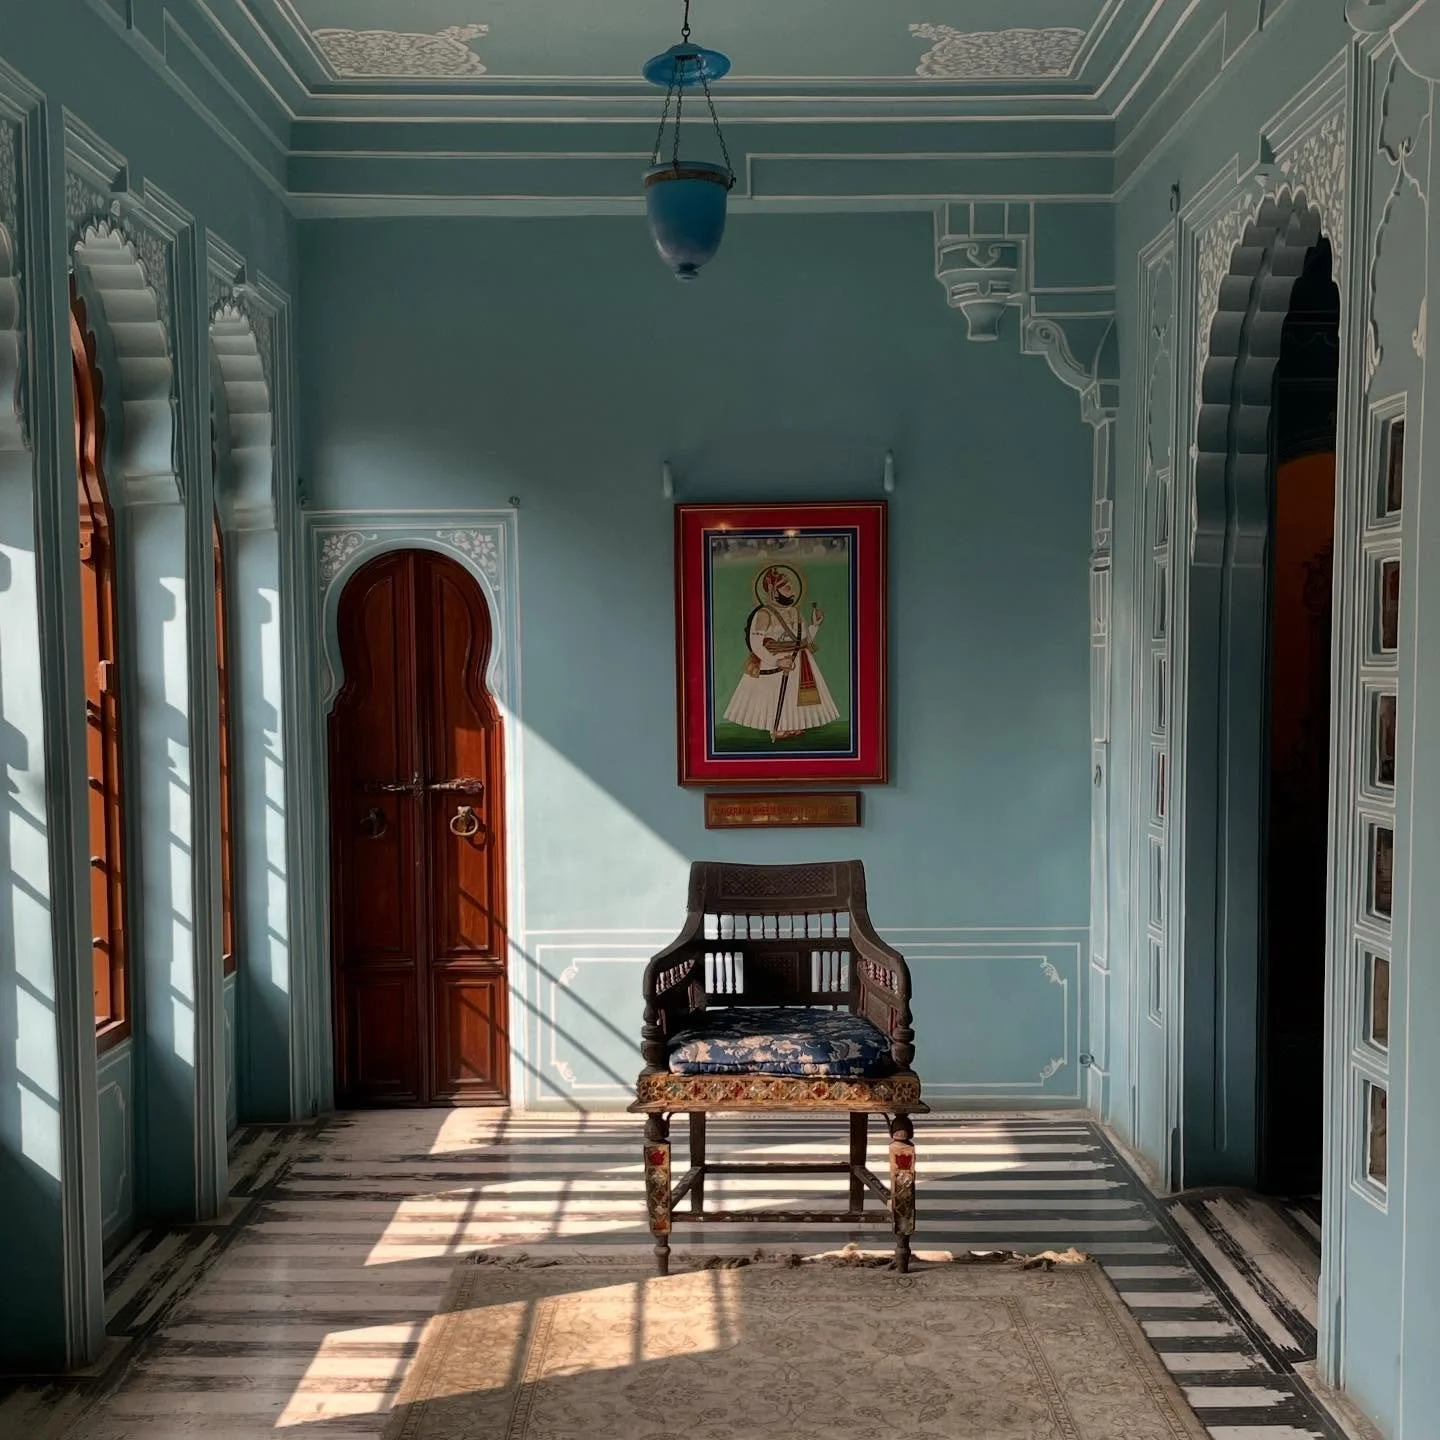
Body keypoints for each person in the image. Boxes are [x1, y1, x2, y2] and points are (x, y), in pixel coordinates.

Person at [723, 563, 840, 741]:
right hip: (772, 663)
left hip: (797, 661)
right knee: (775, 694)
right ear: (773, 591)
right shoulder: (764, 614)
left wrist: (815, 624)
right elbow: (756, 644)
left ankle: (793, 726)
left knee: (793, 695)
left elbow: (804, 641)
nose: (790, 588)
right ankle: (777, 728)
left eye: (790, 585)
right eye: (785, 586)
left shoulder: (795, 612)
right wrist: (776, 661)